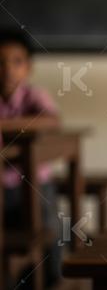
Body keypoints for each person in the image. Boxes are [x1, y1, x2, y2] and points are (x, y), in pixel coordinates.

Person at [0, 29, 62, 288]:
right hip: (2, 185)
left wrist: (5, 126)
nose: (8, 70)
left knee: (49, 229)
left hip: (35, 182)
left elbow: (52, 121)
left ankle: (53, 278)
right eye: (0, 62)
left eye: (17, 62)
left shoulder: (33, 95)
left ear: (28, 67)